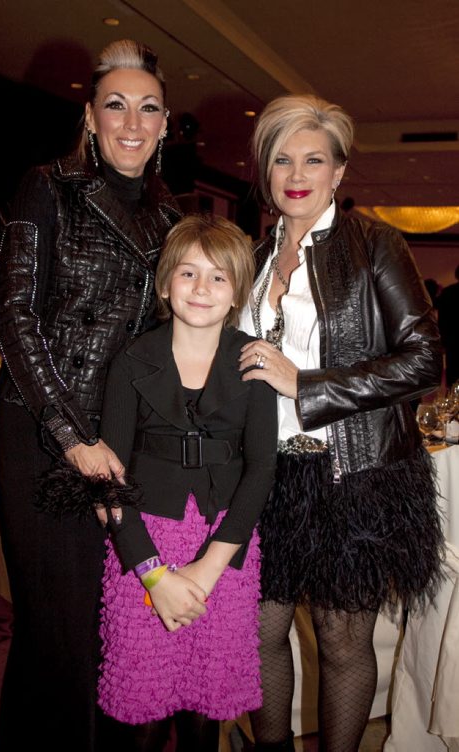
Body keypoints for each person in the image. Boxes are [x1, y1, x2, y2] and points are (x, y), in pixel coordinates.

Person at [237, 94, 445, 752]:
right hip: (262, 475)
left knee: (341, 639)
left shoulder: (374, 242)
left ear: (339, 172)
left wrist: (309, 386)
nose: (296, 173)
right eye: (281, 159)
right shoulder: (250, 256)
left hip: (349, 474)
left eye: (314, 159)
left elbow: (423, 358)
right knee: (259, 634)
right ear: (264, 171)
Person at [0, 39, 181, 752]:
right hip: (44, 432)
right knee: (61, 631)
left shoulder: (169, 223)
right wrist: (73, 436)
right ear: (89, 116)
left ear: (165, 124)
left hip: (122, 442)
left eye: (149, 108)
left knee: (107, 630)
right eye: (116, 105)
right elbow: (14, 317)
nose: (132, 123)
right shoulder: (48, 186)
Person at [96, 215, 277, 751]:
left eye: (219, 277)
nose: (202, 288)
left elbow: (261, 468)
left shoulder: (253, 364)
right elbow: (109, 476)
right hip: (142, 543)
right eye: (189, 273)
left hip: (226, 547)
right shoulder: (131, 361)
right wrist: (154, 576)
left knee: (205, 708)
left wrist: (210, 564)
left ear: (239, 290)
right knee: (142, 707)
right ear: (166, 282)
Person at [437, 263, 459, 386]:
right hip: (452, 341)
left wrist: (443, 341)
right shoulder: (448, 292)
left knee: (453, 375)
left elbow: (442, 320)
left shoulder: (448, 292)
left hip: (453, 342)